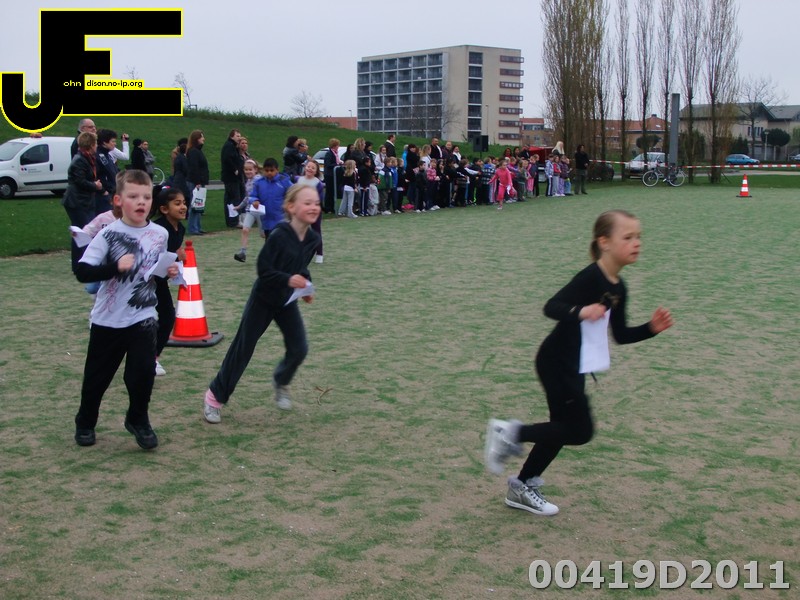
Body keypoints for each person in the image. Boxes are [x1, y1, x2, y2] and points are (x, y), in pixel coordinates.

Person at [484, 210, 674, 516]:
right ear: (604, 242)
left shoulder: (618, 287)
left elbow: (621, 335)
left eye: (639, 237)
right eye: (628, 237)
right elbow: (552, 307)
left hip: (575, 364)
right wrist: (582, 311)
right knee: (579, 430)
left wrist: (651, 329)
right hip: (556, 361)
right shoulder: (590, 277)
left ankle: (522, 486)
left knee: (561, 428)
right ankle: (510, 433)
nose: (637, 243)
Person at [73, 169, 179, 449]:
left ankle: (138, 420)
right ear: (119, 200)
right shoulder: (108, 234)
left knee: (142, 372)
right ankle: (85, 422)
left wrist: (167, 271)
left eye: (146, 197)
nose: (141, 202)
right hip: (108, 320)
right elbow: (82, 272)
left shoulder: (159, 233)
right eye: (133, 196)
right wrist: (114, 267)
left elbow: (152, 272)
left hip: (143, 316)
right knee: (97, 378)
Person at [202, 184, 321, 423]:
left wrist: (305, 285)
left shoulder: (313, 239)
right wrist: (288, 279)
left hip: (286, 301)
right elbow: (264, 271)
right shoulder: (279, 234)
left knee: (299, 348)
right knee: (243, 347)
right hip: (263, 299)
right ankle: (215, 396)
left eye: (316, 203)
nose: (313, 207)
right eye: (307, 203)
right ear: (291, 207)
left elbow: (300, 266)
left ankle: (281, 380)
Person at [151, 187, 187, 377]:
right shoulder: (158, 230)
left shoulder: (180, 229)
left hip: (159, 281)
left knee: (167, 317)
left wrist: (177, 263)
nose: (183, 207)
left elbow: (170, 258)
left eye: (184, 203)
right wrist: (176, 257)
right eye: (177, 203)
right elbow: (154, 257)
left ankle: (152, 358)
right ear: (164, 209)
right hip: (144, 280)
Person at [63, 131, 103, 272]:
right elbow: (79, 181)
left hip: (85, 200)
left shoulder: (88, 158)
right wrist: (95, 185)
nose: (97, 146)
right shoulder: (79, 160)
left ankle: (80, 263)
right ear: (91, 145)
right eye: (95, 143)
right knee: (83, 232)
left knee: (81, 231)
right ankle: (82, 264)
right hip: (76, 201)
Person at [251, 157, 293, 238]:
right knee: (269, 242)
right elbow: (252, 195)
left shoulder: (284, 181)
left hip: (281, 219)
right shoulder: (259, 183)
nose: (269, 172)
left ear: (277, 170)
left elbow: (294, 192)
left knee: (281, 242)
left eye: (272, 170)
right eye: (266, 170)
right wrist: (255, 200)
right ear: (263, 170)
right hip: (266, 220)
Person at [294, 160, 326, 262]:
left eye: (313, 168)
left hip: (313, 210)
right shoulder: (298, 179)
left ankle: (319, 253)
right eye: (308, 167)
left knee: (316, 230)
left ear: (316, 171)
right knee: (298, 231)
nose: (310, 169)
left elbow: (319, 199)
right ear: (305, 167)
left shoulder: (318, 183)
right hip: (300, 209)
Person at [233, 159, 264, 263]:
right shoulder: (248, 182)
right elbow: (247, 197)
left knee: (264, 234)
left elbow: (264, 193)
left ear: (256, 170)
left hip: (260, 209)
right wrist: (239, 206)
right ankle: (242, 253)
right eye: (246, 169)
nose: (248, 172)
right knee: (245, 229)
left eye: (250, 169)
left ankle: (273, 252)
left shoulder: (259, 180)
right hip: (250, 209)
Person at [186, 130, 209, 235]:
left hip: (199, 181)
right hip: (195, 182)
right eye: (201, 137)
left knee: (199, 205)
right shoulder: (193, 151)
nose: (203, 139)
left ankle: (198, 226)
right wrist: (197, 182)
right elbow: (194, 168)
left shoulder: (197, 151)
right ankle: (192, 228)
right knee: (194, 205)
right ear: (196, 139)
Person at [221, 128, 244, 228]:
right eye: (237, 136)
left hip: (231, 177)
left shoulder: (233, 146)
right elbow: (227, 159)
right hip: (231, 177)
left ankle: (233, 220)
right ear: (231, 136)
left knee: (231, 199)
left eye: (239, 136)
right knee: (234, 199)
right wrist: (235, 169)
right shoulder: (229, 146)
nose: (239, 138)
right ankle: (234, 221)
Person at [95, 128, 120, 215]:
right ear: (104, 142)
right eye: (113, 141)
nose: (115, 144)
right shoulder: (98, 156)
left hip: (112, 193)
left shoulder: (107, 155)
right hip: (104, 196)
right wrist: (104, 191)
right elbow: (97, 176)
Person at [323, 138, 342, 214]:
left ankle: (332, 207)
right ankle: (327, 208)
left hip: (334, 175)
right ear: (334, 145)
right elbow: (328, 164)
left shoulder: (335, 153)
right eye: (337, 145)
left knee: (333, 191)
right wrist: (337, 164)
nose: (338, 146)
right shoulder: (329, 153)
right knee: (329, 191)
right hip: (329, 175)